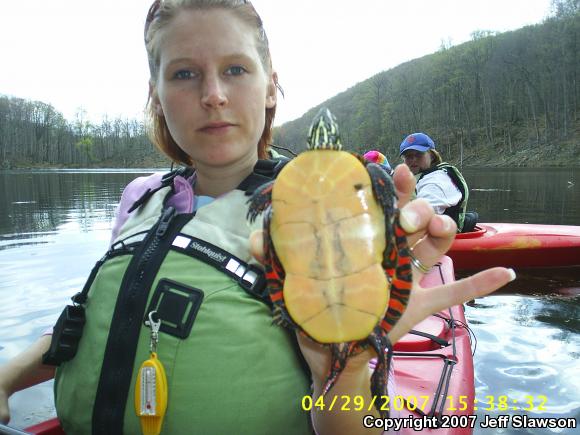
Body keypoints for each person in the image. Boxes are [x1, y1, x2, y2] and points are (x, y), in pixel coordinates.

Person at [0, 1, 514, 434]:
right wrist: (6, 378)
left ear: (270, 87)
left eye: (235, 69)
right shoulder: (140, 198)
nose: (213, 95)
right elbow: (96, 322)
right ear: (156, 95)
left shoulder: (316, 215)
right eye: (184, 73)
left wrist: (350, 367)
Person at [399, 132, 477, 233]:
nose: (413, 159)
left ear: (432, 156)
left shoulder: (436, 180)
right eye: (409, 156)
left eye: (419, 154)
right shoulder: (420, 177)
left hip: (441, 241)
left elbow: (421, 217)